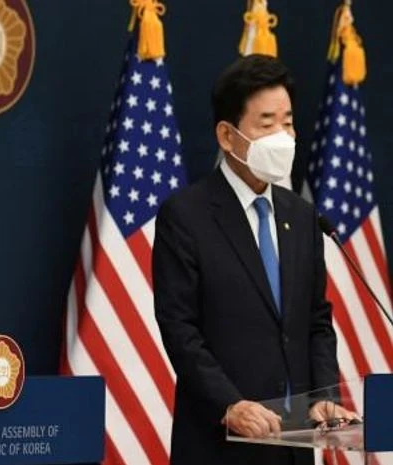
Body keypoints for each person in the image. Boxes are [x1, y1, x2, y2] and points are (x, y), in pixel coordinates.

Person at [153, 54, 358, 465]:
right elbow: (181, 330)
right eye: (266, 125)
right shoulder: (186, 216)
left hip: (297, 444)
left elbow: (317, 319)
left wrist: (325, 397)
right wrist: (230, 404)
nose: (282, 136)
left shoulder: (302, 216)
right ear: (227, 136)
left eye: (287, 122)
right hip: (223, 443)